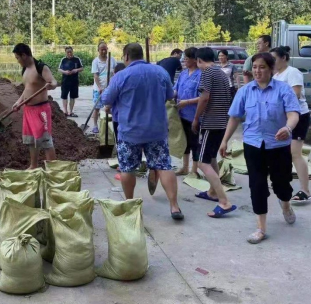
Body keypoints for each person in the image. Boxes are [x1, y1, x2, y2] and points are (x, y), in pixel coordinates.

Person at [220, 53, 300, 244]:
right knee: (257, 185)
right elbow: (234, 117)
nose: (257, 70)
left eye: (262, 67)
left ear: (271, 69)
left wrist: (287, 128)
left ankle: (286, 204)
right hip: (253, 144)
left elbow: (294, 114)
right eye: (255, 67)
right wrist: (224, 141)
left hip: (278, 145)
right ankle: (261, 228)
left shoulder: (283, 90)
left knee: (281, 184)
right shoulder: (245, 91)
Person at [101, 43, 183, 220]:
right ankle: (174, 206)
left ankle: (130, 203)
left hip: (130, 131)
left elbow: (106, 99)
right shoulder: (160, 72)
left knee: (128, 168)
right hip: (157, 130)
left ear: (126, 57)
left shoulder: (121, 76)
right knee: (164, 166)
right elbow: (171, 95)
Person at [192, 47, 236, 218]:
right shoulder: (221, 73)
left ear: (199, 60)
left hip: (211, 122)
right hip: (222, 122)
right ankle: (212, 192)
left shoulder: (207, 72)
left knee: (203, 162)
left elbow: (204, 97)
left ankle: (224, 201)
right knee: (211, 158)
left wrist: (196, 118)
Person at [271, 46, 311, 204]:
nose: (272, 62)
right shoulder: (276, 75)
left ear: (283, 58)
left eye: (274, 59)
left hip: (299, 116)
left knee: (295, 153)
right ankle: (283, 183)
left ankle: (306, 191)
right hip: (284, 118)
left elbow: (294, 94)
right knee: (284, 153)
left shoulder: (293, 72)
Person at [12, 43, 58, 169]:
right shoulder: (24, 70)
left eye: (18, 58)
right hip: (28, 110)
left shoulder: (41, 67)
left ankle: (53, 170)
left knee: (46, 141)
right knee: (31, 140)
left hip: (41, 110)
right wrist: (18, 102)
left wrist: (51, 85)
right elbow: (27, 89)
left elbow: (54, 82)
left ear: (24, 55)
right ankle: (33, 165)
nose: (18, 61)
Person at [173, 47, 201, 176]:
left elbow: (203, 97)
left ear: (195, 60)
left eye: (187, 57)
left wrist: (187, 102)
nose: (184, 59)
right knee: (185, 142)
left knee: (195, 142)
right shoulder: (183, 74)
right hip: (182, 114)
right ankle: (185, 167)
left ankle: (194, 169)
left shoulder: (201, 74)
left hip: (195, 115)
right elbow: (176, 90)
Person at [91, 42, 117, 134]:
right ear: (98, 50)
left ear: (107, 49)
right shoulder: (95, 61)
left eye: (105, 49)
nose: (103, 51)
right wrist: (100, 87)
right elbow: (96, 76)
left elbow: (115, 72)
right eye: (101, 49)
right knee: (97, 107)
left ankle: (109, 126)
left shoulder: (112, 60)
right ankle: (95, 125)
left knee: (109, 107)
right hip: (98, 89)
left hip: (110, 88)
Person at [58, 46, 84, 117]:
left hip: (74, 81)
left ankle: (71, 112)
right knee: (64, 96)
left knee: (73, 97)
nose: (69, 53)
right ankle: (65, 111)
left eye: (70, 52)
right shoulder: (63, 60)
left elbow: (82, 68)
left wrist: (76, 70)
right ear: (65, 52)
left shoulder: (77, 59)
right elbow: (59, 69)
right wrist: (64, 72)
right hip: (65, 81)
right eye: (68, 52)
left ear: (72, 52)